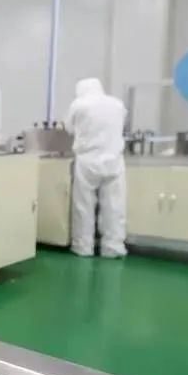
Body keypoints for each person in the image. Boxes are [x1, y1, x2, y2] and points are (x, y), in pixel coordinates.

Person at [66, 77, 128, 258]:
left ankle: (83, 246)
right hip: (114, 160)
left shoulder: (78, 104)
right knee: (114, 206)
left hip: (88, 161)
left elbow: (69, 128)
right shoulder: (117, 104)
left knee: (84, 206)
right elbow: (121, 124)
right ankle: (113, 247)